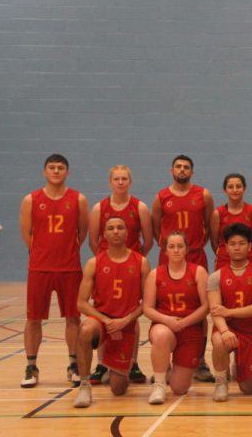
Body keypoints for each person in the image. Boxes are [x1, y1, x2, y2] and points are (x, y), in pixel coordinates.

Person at [19, 153, 89, 388]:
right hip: (40, 268)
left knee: (73, 317)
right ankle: (31, 366)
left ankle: (73, 364)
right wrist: (42, 253)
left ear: (67, 172)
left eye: (60, 168)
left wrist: (65, 252)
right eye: (52, 167)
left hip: (69, 268)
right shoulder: (31, 199)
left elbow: (82, 233)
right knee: (33, 319)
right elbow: (27, 234)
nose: (56, 171)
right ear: (44, 172)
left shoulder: (78, 199)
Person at [72, 216, 150, 408]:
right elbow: (81, 303)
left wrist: (126, 320)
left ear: (127, 232)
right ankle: (84, 386)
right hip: (101, 320)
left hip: (126, 323)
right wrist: (106, 321)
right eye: (111, 228)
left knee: (118, 389)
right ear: (104, 234)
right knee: (84, 330)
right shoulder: (94, 263)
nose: (115, 231)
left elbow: (148, 303)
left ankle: (115, 366)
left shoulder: (141, 262)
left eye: (120, 227)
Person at [151, 154, 214, 381]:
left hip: (196, 256)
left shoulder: (203, 195)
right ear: (171, 171)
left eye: (186, 167)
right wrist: (172, 249)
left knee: (201, 310)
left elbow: (208, 224)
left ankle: (200, 360)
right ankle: (163, 363)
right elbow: (156, 226)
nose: (182, 170)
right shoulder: (161, 197)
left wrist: (194, 246)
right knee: (163, 308)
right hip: (168, 258)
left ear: (192, 172)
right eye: (178, 166)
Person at [87, 164, 152, 385]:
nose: (121, 182)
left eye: (125, 178)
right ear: (110, 182)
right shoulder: (99, 208)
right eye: (117, 179)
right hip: (106, 268)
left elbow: (148, 240)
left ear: (130, 182)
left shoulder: (140, 207)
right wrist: (106, 263)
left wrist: (133, 262)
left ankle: (132, 362)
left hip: (131, 268)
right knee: (102, 311)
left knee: (131, 316)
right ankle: (101, 364)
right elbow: (93, 240)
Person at [142, 232, 209, 404]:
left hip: (190, 329)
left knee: (179, 388)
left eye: (180, 246)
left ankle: (173, 369)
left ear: (187, 249)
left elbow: (206, 306)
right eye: (171, 246)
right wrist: (168, 320)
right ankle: (159, 384)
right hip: (164, 325)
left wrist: (185, 322)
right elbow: (147, 308)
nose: (176, 250)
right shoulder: (155, 274)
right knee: (162, 336)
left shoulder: (199, 272)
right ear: (165, 250)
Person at [207, 223, 252, 401]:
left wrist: (229, 312)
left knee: (249, 388)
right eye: (233, 243)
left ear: (250, 246)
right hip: (228, 329)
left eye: (241, 243)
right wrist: (225, 330)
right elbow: (215, 311)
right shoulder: (216, 277)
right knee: (219, 340)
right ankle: (221, 383)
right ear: (226, 247)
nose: (237, 247)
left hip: (250, 331)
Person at [210, 173, 252, 270]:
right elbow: (214, 243)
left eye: (238, 186)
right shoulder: (218, 213)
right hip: (224, 261)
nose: (235, 190)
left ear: (244, 189)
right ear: (225, 190)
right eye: (230, 187)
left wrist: (245, 250)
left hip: (248, 259)